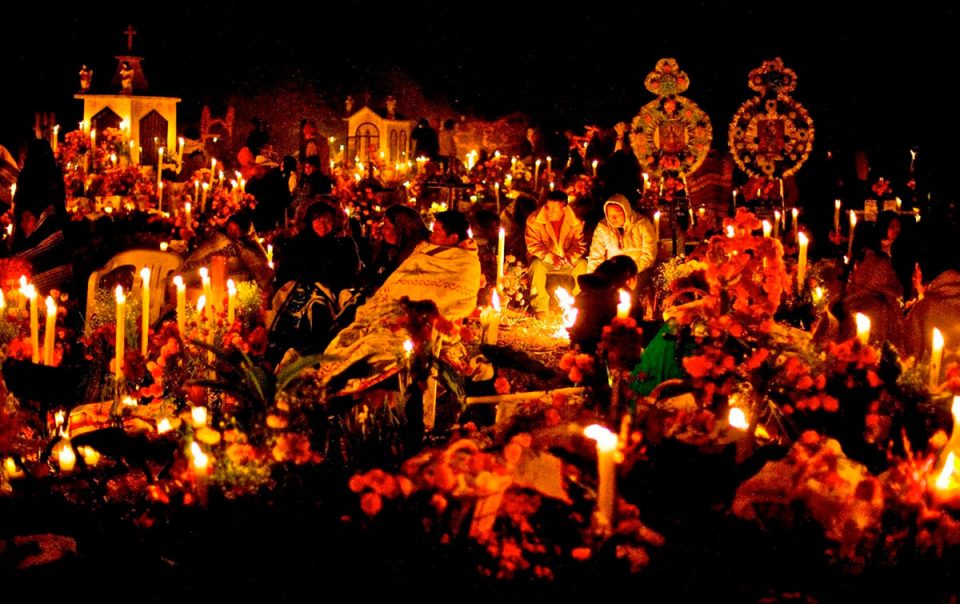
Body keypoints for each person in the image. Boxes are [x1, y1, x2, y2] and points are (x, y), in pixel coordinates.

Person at [313, 209, 480, 393]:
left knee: (372, 345)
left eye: (438, 232)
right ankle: (327, 371)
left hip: (421, 321)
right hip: (393, 310)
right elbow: (400, 280)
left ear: (453, 237)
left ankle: (337, 380)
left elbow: (448, 295)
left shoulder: (465, 263)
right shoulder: (424, 250)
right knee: (353, 334)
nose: (432, 234)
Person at [268, 202, 362, 360]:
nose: (322, 224)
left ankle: (314, 354)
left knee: (320, 312)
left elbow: (348, 272)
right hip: (298, 290)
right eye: (318, 219)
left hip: (330, 292)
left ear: (334, 222)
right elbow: (286, 271)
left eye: (327, 220)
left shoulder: (344, 245)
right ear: (310, 222)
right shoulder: (298, 243)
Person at [7, 139, 72, 294]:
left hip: (42, 267)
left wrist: (14, 259)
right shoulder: (54, 181)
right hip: (52, 266)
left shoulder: (26, 182)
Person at [839, 210, 904, 347]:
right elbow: (870, 278)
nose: (896, 230)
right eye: (891, 226)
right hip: (870, 304)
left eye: (898, 225)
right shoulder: (870, 252)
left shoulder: (901, 250)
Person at [525, 190, 588, 319]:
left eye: (554, 209)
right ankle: (540, 307)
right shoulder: (534, 220)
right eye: (547, 207)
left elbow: (579, 245)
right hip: (545, 260)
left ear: (564, 209)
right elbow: (532, 245)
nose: (549, 212)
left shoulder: (576, 222)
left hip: (568, 261)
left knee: (582, 264)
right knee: (536, 266)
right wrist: (550, 257)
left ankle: (580, 303)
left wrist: (569, 257)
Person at [568, 255, 639, 354]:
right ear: (629, 279)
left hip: (581, 345)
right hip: (603, 350)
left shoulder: (585, 292)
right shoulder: (623, 297)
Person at [363, 204, 431, 292]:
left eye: (387, 227)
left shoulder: (419, 258)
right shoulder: (385, 251)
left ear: (402, 230)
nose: (382, 230)